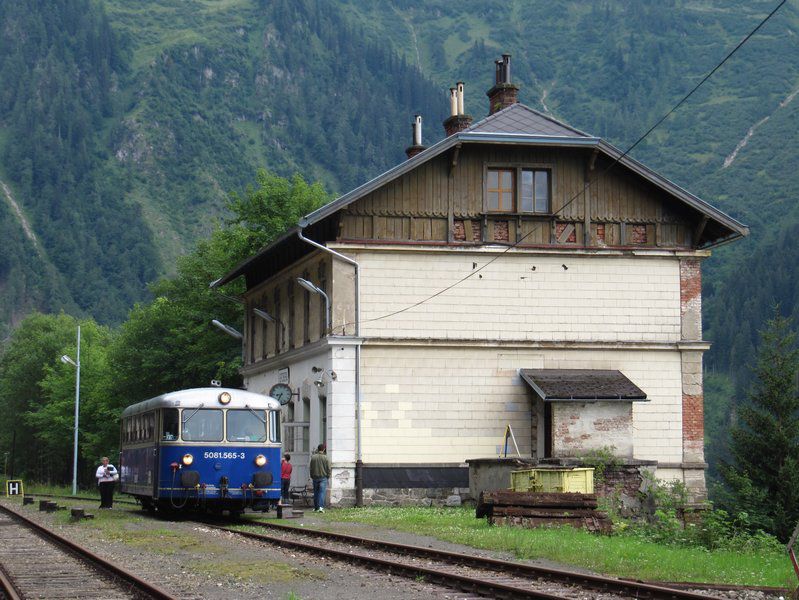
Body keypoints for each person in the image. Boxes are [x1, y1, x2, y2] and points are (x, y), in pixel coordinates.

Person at [309, 444, 331, 513]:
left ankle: (316, 507)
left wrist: (312, 475)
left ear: (318, 449)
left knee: (316, 493)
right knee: (322, 493)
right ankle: (321, 507)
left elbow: (311, 468)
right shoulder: (326, 458)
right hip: (323, 477)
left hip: (315, 477)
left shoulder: (313, 457)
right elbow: (328, 468)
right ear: (324, 449)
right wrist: (328, 476)